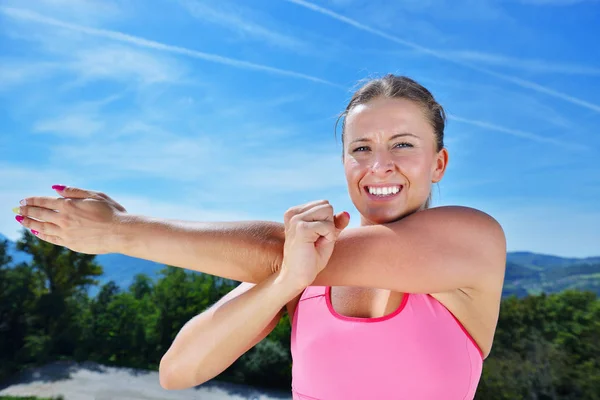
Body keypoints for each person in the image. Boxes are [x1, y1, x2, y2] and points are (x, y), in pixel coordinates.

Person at [14, 74, 506, 399]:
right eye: (361, 148)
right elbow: (178, 371)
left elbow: (274, 249)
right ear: (344, 163)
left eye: (403, 144)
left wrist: (120, 230)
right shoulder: (299, 264)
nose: (379, 165)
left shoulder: (473, 240)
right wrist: (285, 282)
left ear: (438, 162)